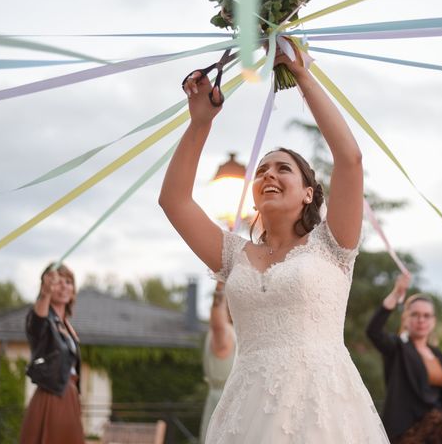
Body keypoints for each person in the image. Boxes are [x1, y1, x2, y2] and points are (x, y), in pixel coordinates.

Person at [159, 44, 389, 442]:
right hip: (247, 412)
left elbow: (349, 159)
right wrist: (200, 123)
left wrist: (301, 74)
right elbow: (173, 200)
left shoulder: (332, 244)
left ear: (307, 193)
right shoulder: (232, 254)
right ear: (253, 196)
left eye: (284, 168)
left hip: (322, 410)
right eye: (262, 170)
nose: (269, 174)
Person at [366, 273, 442, 444]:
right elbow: (373, 331)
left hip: (438, 432)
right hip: (408, 432)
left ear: (433, 321)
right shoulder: (398, 348)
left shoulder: (437, 354)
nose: (421, 320)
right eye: (415, 314)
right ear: (406, 318)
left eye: (426, 315)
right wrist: (397, 293)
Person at [20, 263, 84, 444]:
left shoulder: (67, 325)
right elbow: (36, 324)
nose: (64, 286)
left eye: (68, 281)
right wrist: (45, 295)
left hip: (70, 396)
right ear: (46, 285)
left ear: (73, 290)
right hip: (51, 397)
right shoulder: (42, 318)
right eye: (57, 282)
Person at [199, 281, 236, 443]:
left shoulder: (235, 332)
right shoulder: (224, 333)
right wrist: (220, 289)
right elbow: (218, 325)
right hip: (224, 402)